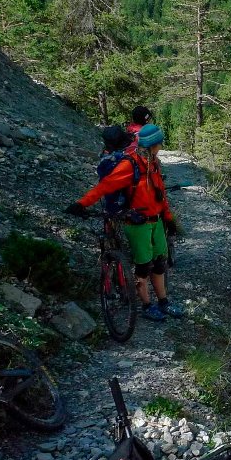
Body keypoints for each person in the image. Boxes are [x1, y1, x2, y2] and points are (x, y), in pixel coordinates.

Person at [66, 123, 185, 322]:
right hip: (138, 224)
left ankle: (163, 302)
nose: (161, 146)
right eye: (159, 143)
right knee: (143, 267)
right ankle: (147, 306)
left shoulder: (153, 163)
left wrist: (168, 219)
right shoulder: (130, 165)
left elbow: (160, 194)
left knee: (159, 264)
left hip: (155, 222)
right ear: (152, 145)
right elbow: (105, 186)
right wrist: (81, 203)